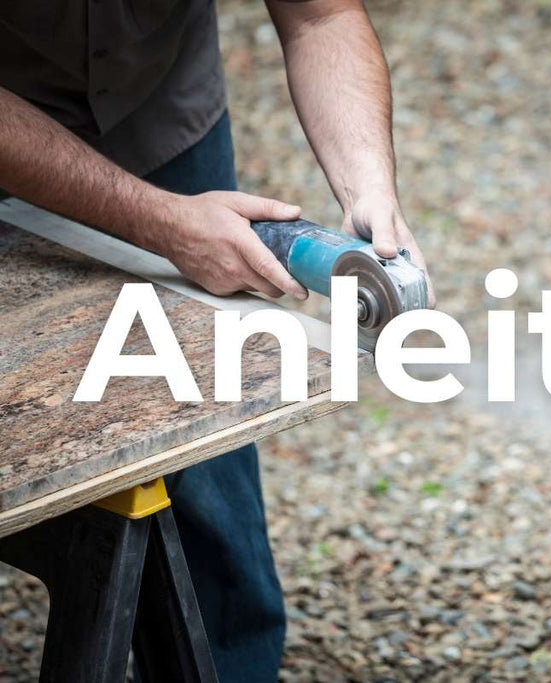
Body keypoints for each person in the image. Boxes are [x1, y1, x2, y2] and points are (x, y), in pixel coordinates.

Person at [0, 1, 430, 679]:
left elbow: (320, 17)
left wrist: (369, 188)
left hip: (160, 114)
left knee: (209, 445)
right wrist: (159, 222)